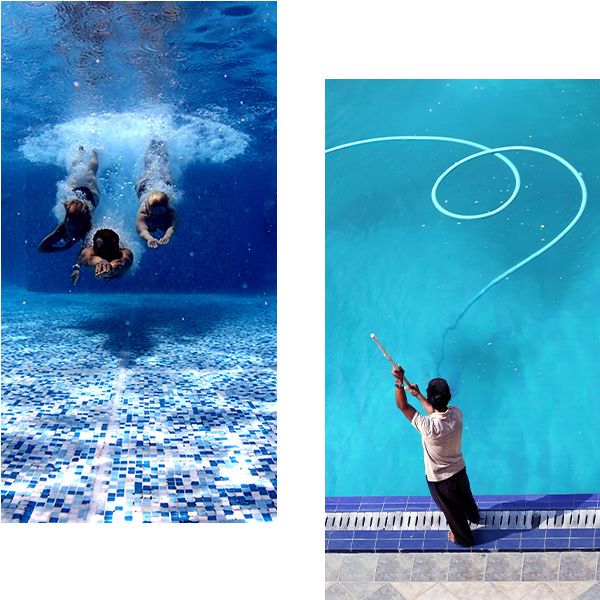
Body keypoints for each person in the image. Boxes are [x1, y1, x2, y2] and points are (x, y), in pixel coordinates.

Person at [392, 366, 480, 546]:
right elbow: (437, 412)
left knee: (452, 512)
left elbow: (402, 406)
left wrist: (399, 382)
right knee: (466, 499)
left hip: (440, 480)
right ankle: (474, 516)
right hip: (459, 469)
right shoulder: (456, 413)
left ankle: (463, 538)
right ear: (448, 397)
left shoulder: (428, 427)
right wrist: (419, 396)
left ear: (432, 398)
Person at [38, 147, 100, 252]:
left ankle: (95, 153)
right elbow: (42, 248)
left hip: (82, 194)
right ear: (66, 220)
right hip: (91, 195)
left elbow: (84, 253)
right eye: (71, 227)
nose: (73, 231)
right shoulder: (62, 228)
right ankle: (84, 152)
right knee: (86, 172)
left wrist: (69, 247)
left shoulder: (87, 230)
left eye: (76, 228)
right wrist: (61, 249)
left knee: (85, 172)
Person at [135, 139, 177, 248]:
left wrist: (168, 235)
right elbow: (141, 229)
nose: (156, 216)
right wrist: (149, 238)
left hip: (155, 184)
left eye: (159, 213)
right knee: (149, 165)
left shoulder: (170, 210)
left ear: (166, 209)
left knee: (163, 164)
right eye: (154, 212)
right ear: (148, 208)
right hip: (145, 185)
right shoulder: (144, 212)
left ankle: (163, 143)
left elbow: (173, 226)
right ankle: (152, 142)